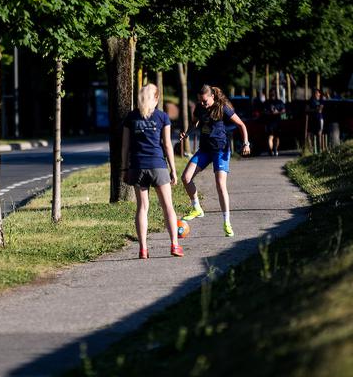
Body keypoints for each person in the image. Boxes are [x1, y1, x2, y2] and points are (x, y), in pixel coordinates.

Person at [179, 85, 251, 237]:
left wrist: (246, 143)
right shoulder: (199, 107)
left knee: (220, 185)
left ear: (212, 96)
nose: (203, 104)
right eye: (201, 101)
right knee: (185, 178)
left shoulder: (222, 107)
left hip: (220, 150)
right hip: (205, 150)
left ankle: (227, 222)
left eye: (205, 101)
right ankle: (197, 208)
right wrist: (187, 133)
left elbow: (241, 125)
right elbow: (194, 123)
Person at [121, 83, 183, 259]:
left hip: (137, 166)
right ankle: (175, 245)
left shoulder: (131, 117)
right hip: (158, 166)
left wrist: (125, 168)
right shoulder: (162, 117)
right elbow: (167, 145)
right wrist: (173, 169)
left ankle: (143, 249)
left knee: (142, 208)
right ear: (156, 98)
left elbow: (125, 146)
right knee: (168, 207)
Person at [263, 88, 286, 156]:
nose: (272, 95)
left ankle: (275, 149)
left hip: (277, 122)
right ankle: (271, 151)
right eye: (271, 93)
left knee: (277, 137)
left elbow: (284, 110)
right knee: (270, 137)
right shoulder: (266, 102)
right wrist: (270, 113)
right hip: (269, 122)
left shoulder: (279, 102)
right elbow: (264, 111)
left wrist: (278, 112)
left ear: (275, 94)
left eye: (273, 93)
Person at [306, 88, 325, 153]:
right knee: (309, 135)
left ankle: (320, 149)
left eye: (317, 93)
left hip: (319, 119)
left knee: (319, 134)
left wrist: (313, 110)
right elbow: (307, 109)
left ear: (319, 94)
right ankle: (311, 149)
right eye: (314, 93)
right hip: (311, 120)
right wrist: (315, 110)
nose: (316, 94)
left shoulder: (321, 100)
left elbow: (320, 109)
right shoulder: (310, 101)